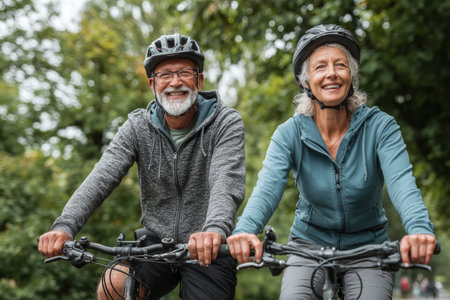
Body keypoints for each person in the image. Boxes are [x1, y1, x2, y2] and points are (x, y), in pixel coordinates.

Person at [226, 24, 437, 299]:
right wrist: (245, 231)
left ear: (351, 76)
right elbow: (266, 189)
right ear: (305, 81)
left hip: (368, 247)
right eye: (320, 66)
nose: (332, 73)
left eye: (340, 65)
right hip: (307, 246)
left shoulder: (381, 127)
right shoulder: (289, 134)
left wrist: (419, 230)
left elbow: (402, 184)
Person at [38, 33, 245, 300]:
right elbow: (102, 177)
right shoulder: (137, 127)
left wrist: (214, 230)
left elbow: (225, 181)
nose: (175, 82)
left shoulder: (225, 122)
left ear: (199, 79)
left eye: (184, 72)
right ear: (152, 84)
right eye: (165, 75)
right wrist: (65, 226)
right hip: (155, 243)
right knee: (113, 286)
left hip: (208, 245)